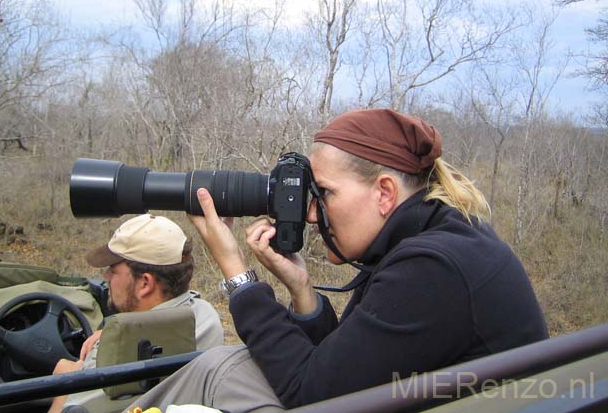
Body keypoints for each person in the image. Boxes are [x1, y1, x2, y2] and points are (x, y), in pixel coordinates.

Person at [125, 108, 549, 413]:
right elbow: (352, 368)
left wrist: (237, 275)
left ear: (384, 193)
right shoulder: (440, 237)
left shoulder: (434, 268)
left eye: (324, 193)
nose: (311, 212)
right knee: (222, 364)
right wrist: (302, 291)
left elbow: (314, 394)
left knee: (222, 373)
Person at [48, 213, 224, 413]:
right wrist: (111, 329)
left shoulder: (122, 354)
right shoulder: (204, 315)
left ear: (145, 283)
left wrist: (65, 384)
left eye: (113, 270)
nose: (105, 276)